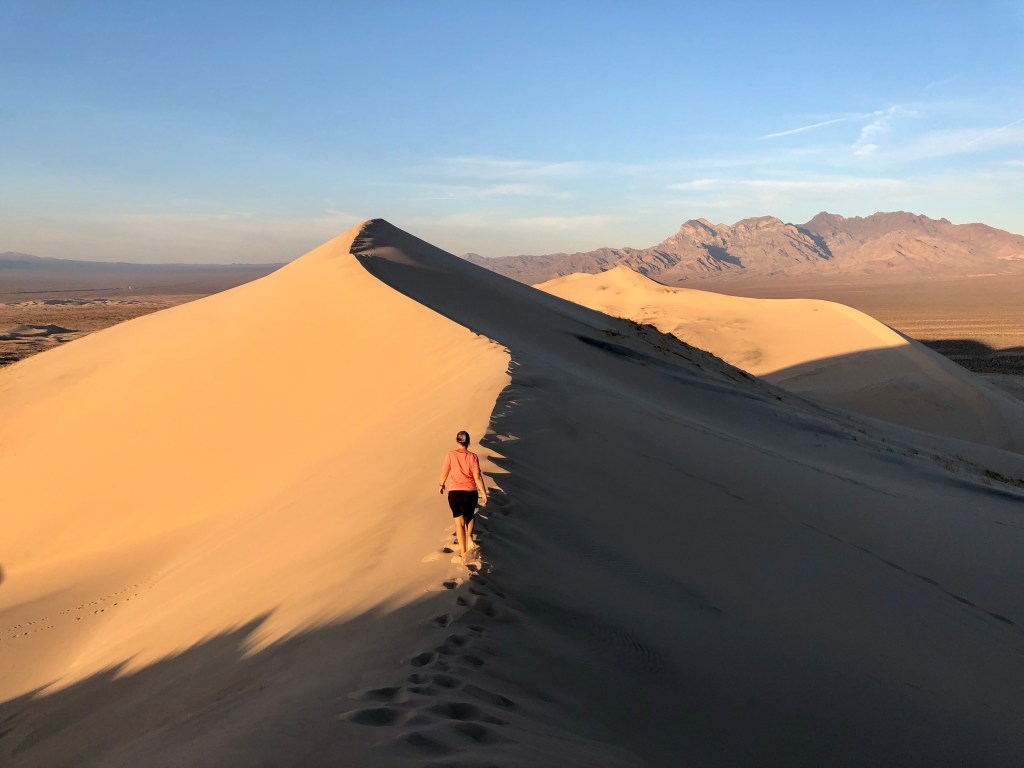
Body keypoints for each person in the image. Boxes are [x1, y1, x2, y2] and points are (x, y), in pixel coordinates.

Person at [438, 430, 488, 558]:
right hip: (470, 493)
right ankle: (470, 535)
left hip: (454, 494)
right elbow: (477, 476)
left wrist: (441, 484)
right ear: (468, 442)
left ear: (457, 441)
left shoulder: (450, 455)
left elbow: (445, 472)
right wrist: (483, 493)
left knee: (459, 523)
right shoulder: (473, 456)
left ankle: (463, 552)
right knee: (470, 515)